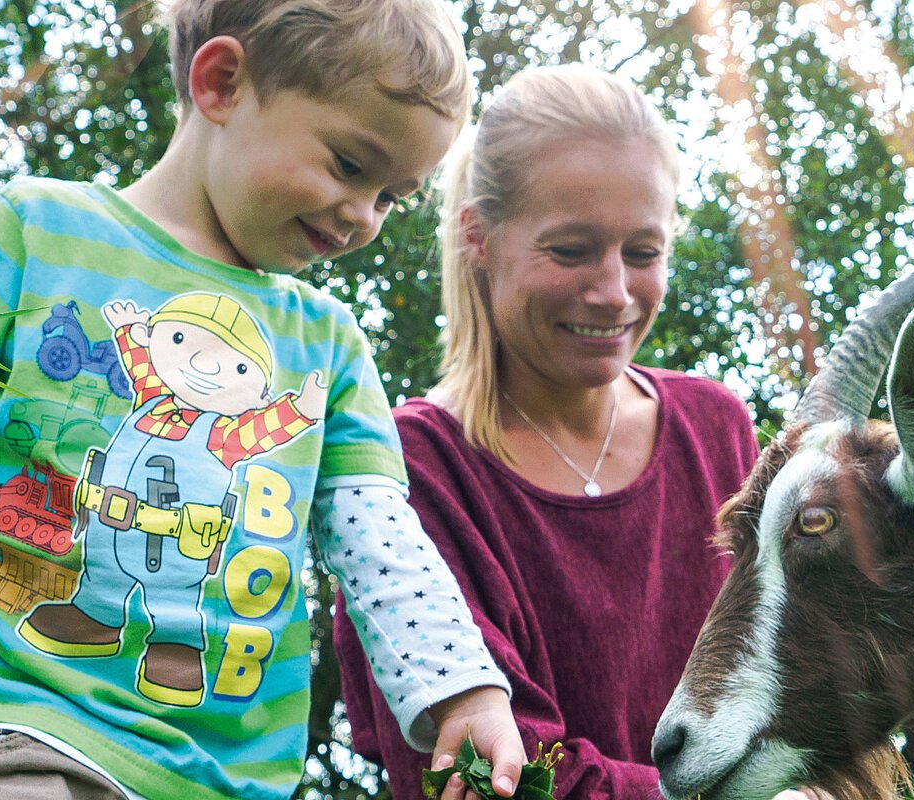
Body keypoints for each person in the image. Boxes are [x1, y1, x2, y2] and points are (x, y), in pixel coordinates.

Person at [0, 0, 528, 797]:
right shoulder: (39, 232)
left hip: (219, 777)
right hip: (9, 727)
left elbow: (382, 544)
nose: (363, 219)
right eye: (350, 166)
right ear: (223, 84)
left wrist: (463, 690)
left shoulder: (329, 347)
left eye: (392, 196)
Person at [331, 64, 819, 800]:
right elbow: (483, 773)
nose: (615, 293)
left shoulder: (716, 427)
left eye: (644, 252)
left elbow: (792, 681)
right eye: (571, 250)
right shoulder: (406, 468)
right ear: (478, 238)